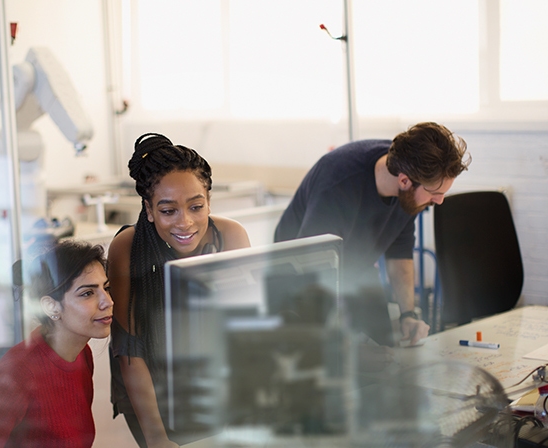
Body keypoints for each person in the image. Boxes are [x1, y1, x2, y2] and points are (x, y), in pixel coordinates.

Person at [109, 133, 251, 448]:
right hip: (147, 382)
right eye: (168, 210)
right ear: (149, 209)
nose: (184, 222)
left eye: (196, 206)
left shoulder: (230, 237)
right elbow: (130, 353)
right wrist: (158, 437)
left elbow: (243, 330)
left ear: (209, 202)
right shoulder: (127, 248)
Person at [274, 122, 470, 346]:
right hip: (299, 277)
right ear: (404, 181)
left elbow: (400, 251)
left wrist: (408, 315)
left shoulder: (412, 176)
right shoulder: (338, 186)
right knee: (346, 360)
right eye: (435, 193)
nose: (440, 201)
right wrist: (349, 341)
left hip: (356, 265)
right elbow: (313, 270)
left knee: (384, 346)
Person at [0, 240, 113, 448]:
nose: (108, 301)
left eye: (106, 288)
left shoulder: (82, 354)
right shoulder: (19, 370)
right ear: (51, 307)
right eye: (88, 293)